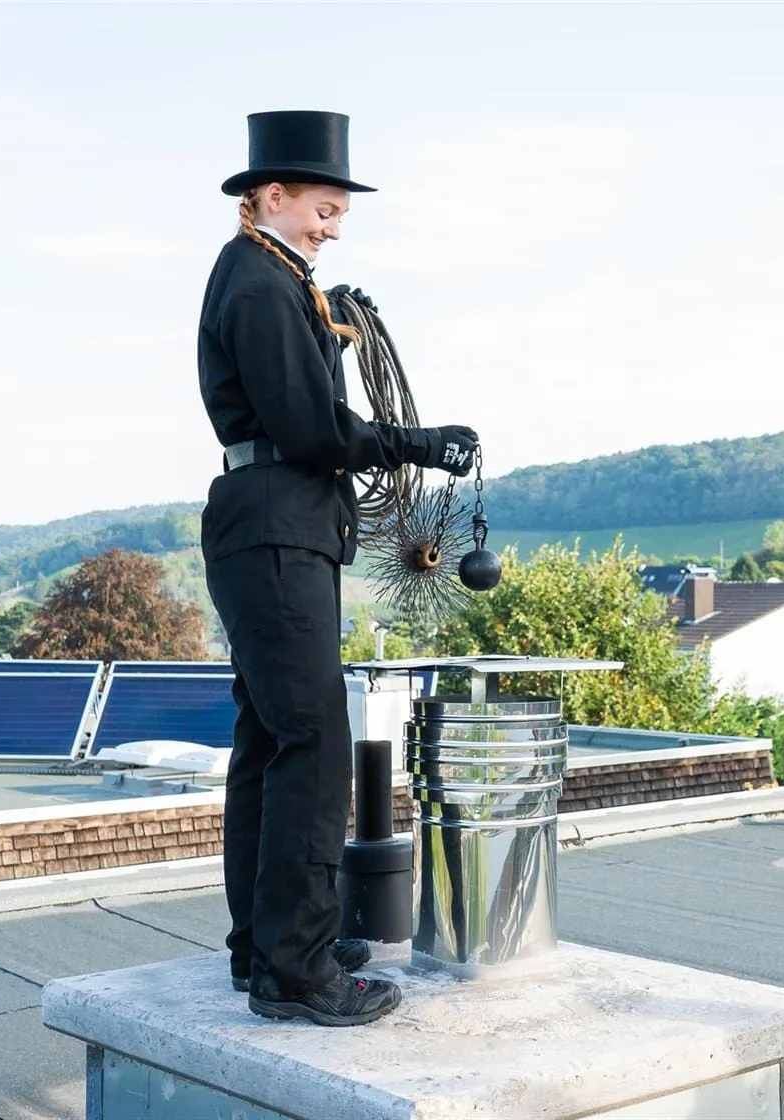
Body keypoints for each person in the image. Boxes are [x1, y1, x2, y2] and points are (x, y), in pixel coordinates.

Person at [198, 110, 479, 1028]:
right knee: (314, 744)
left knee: (270, 743)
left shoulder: (275, 280)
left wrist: (332, 330)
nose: (333, 224)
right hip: (278, 527)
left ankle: (269, 946)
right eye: (324, 207)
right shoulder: (259, 285)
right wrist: (423, 443)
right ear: (270, 196)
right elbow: (316, 431)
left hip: (275, 526)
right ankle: (298, 972)